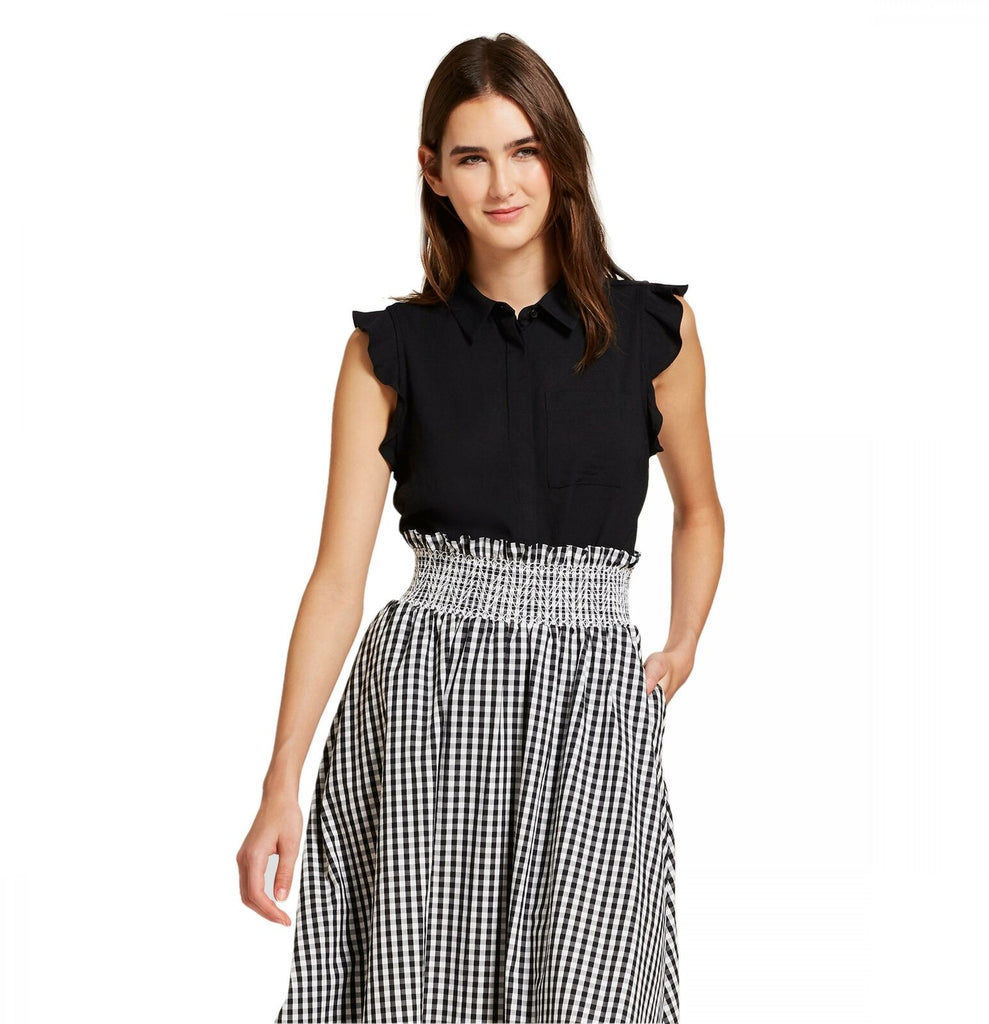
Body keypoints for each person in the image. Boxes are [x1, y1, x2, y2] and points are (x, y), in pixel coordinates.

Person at [237, 31, 725, 1024]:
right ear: (433, 172)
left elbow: (700, 508)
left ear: (561, 155)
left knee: (589, 988)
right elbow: (337, 576)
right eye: (471, 157)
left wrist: (680, 645)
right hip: (430, 693)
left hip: (592, 696)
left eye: (524, 150)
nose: (502, 183)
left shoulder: (654, 332)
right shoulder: (386, 352)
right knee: (418, 991)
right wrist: (282, 776)